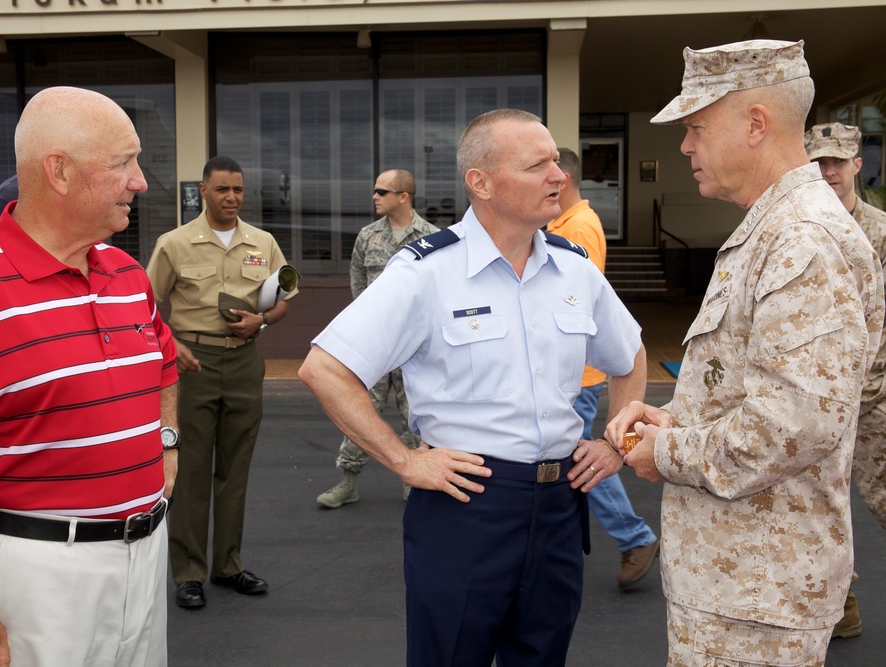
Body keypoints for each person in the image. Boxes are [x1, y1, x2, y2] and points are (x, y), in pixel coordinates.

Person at [300, 108, 647, 667]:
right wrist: (406, 462)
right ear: (481, 183)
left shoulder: (574, 268)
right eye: (538, 165)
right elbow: (325, 368)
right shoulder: (427, 272)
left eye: (556, 161)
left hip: (560, 508)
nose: (559, 176)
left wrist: (615, 443)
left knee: (542, 656)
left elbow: (629, 356)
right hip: (467, 505)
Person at [606, 40, 884, 666]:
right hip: (741, 583)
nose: (685, 146)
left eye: (697, 127)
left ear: (756, 124)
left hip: (758, 594)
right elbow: (750, 386)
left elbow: (796, 425)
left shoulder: (802, 240)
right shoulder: (775, 228)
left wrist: (666, 451)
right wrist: (672, 418)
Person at [0, 86, 179, 667]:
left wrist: (167, 444)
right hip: (37, 577)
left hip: (148, 560)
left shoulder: (126, 274)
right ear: (60, 172)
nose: (141, 180)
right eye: (124, 163)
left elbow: (165, 365)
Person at [147, 155, 296, 609]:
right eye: (222, 189)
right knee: (191, 470)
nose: (231, 198)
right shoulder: (175, 244)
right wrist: (172, 344)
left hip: (245, 362)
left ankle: (228, 565)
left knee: (235, 467)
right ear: (203, 191)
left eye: (238, 190)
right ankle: (188, 573)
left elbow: (283, 299)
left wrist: (262, 322)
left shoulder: (263, 242)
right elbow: (144, 306)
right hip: (193, 365)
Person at [547, 147, 659, 588]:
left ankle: (635, 535)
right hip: (580, 373)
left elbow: (576, 298)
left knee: (581, 458)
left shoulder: (578, 228)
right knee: (580, 456)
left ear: (564, 180)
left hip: (582, 374)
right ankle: (634, 535)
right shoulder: (564, 224)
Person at [804, 121, 886, 640]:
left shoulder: (880, 231)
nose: (828, 170)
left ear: (858, 164)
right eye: (819, 161)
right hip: (818, 399)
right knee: (819, 509)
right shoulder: (804, 226)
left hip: (875, 398)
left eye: (837, 161)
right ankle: (842, 608)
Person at [316, 169, 439, 508]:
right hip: (376, 345)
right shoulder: (368, 236)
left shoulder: (432, 237)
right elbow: (358, 280)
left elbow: (441, 288)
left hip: (416, 346)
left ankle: (414, 478)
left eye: (382, 191)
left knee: (416, 411)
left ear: (404, 196)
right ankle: (348, 480)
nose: (375, 196)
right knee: (361, 408)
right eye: (375, 191)